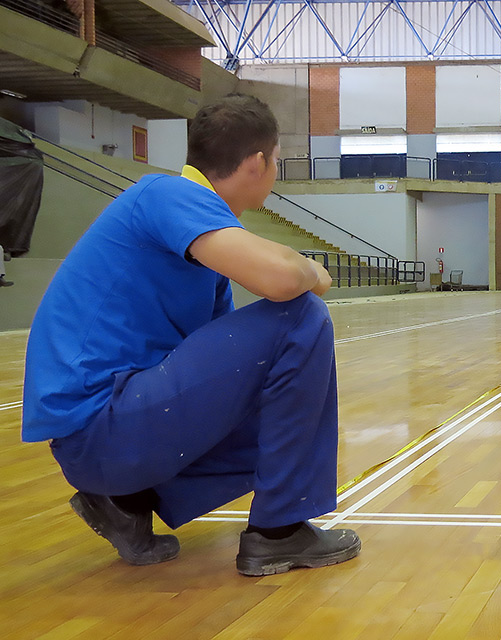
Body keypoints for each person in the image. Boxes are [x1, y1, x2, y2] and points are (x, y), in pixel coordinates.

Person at [22, 94, 360, 577]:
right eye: (277, 161)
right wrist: (312, 269)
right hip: (100, 427)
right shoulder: (166, 195)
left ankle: (125, 500)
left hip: (106, 439)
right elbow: (284, 282)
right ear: (259, 162)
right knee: (301, 316)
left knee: (278, 403)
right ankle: (279, 533)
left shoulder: (202, 249)